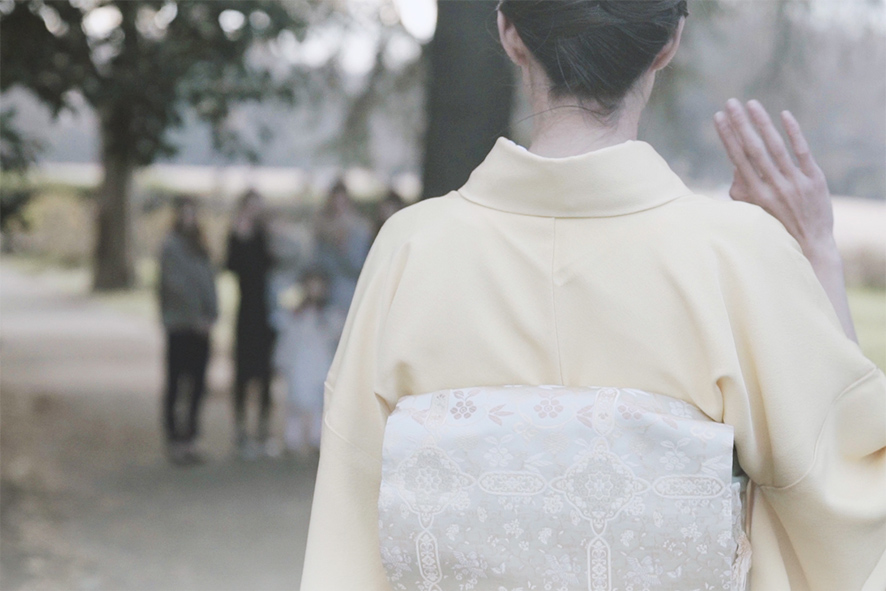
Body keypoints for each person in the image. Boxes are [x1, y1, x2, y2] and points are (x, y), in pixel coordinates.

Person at [301, 2, 886, 590]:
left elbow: (349, 520)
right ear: (669, 42)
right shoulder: (737, 255)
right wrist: (818, 253)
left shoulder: (410, 249)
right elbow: (843, 482)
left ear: (510, 32)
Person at [157, 196, 217, 465]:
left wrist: (211, 315)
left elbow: (209, 283)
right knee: (176, 383)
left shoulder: (201, 247)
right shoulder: (170, 247)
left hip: (202, 328)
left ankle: (191, 436)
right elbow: (174, 286)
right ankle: (174, 438)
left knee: (198, 384)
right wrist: (195, 317)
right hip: (180, 326)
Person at [272, 268, 346, 457]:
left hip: (322, 366)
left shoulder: (331, 315)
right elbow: (287, 339)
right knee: (295, 404)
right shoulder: (295, 315)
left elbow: (338, 336)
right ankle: (292, 440)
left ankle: (317, 440)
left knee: (320, 405)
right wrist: (281, 362)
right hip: (298, 366)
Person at [226, 190, 277, 458]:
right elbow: (232, 266)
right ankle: (241, 428)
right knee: (243, 374)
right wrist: (240, 237)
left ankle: (263, 429)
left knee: (265, 374)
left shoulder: (267, 236)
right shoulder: (238, 235)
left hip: (266, 312)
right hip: (246, 312)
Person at [313, 179, 372, 311]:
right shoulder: (322, 230)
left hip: (350, 294)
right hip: (326, 296)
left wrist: (343, 245)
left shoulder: (359, 229)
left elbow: (359, 266)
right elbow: (317, 263)